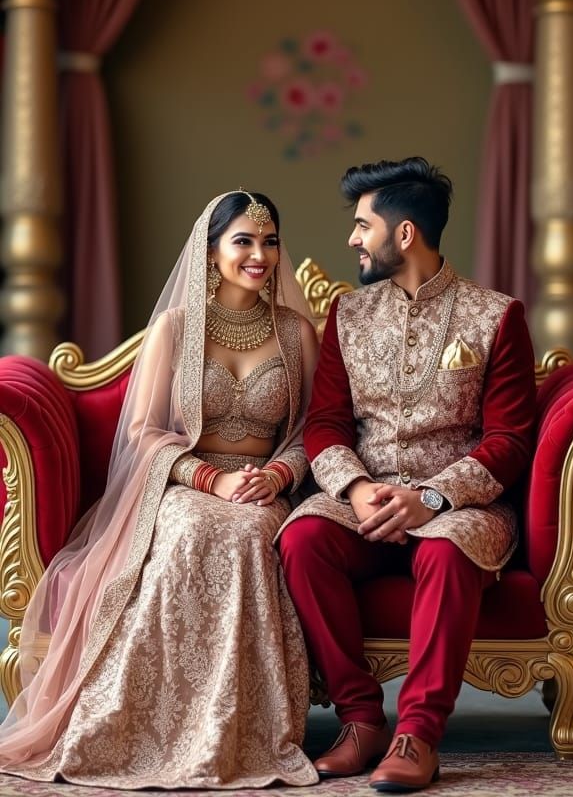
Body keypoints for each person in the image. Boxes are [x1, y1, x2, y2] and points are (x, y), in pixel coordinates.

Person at [0, 190, 319, 789]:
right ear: (211, 250)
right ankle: (152, 723)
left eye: (269, 241)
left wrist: (274, 476)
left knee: (249, 535)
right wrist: (211, 477)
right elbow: (145, 434)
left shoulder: (296, 333)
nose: (260, 255)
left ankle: (233, 728)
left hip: (261, 491)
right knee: (191, 528)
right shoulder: (176, 328)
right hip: (182, 480)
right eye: (244, 241)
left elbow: (310, 435)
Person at [278, 158, 536, 793]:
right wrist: (357, 489)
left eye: (362, 225)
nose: (352, 239)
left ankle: (417, 734)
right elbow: (327, 423)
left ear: (404, 235)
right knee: (301, 540)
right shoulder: (348, 315)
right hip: (360, 498)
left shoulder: (495, 316)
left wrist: (431, 497)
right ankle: (362, 720)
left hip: (458, 505)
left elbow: (510, 439)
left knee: (449, 553)